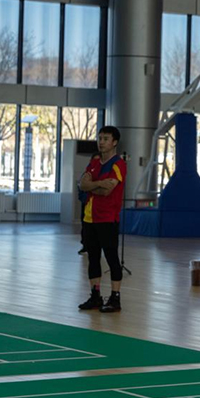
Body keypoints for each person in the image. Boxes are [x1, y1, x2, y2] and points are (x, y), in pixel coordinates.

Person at [78, 127, 127, 314]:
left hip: (107, 218)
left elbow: (108, 191)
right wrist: (98, 184)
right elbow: (82, 184)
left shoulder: (118, 164)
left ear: (114, 142)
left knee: (111, 257)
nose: (101, 142)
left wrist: (91, 185)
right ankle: (95, 295)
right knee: (93, 258)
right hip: (89, 217)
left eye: (106, 139)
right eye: (100, 138)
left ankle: (115, 297)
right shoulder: (94, 162)